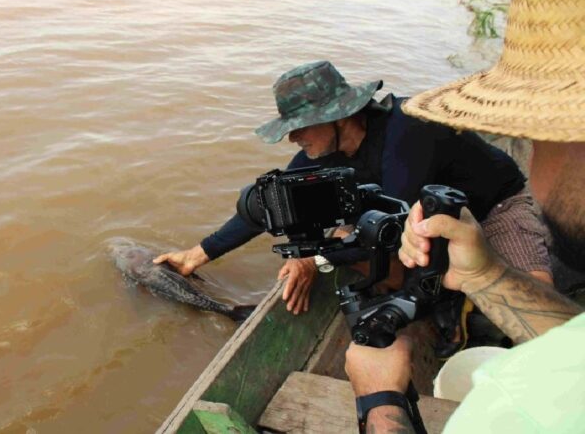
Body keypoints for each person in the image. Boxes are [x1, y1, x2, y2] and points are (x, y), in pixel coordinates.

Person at [344, 0, 585, 431]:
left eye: (538, 135)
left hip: (498, 208)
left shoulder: (509, 412)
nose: (532, 158)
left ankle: (459, 319)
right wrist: (486, 275)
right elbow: (575, 352)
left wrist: (380, 401)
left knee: (534, 272)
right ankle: (455, 309)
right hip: (460, 231)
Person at [154, 60, 552, 321]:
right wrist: (197, 254)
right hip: (425, 227)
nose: (293, 137)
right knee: (357, 247)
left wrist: (314, 258)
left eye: (301, 126)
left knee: (533, 304)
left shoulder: (407, 129)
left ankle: (449, 303)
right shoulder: (321, 149)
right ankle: (438, 306)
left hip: (492, 209)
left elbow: (390, 218)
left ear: (338, 116)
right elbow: (270, 206)